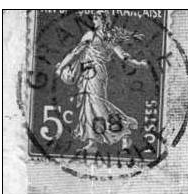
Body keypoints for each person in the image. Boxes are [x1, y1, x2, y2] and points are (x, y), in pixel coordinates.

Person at [54, 11, 148, 152]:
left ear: (102, 20)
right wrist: (139, 64)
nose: (94, 21)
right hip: (95, 73)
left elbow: (74, 53)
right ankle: (93, 143)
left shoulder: (90, 36)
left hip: (93, 74)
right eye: (94, 18)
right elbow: (125, 58)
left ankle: (125, 133)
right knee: (89, 106)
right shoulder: (110, 39)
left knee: (97, 105)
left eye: (96, 18)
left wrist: (61, 67)